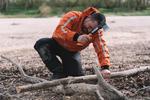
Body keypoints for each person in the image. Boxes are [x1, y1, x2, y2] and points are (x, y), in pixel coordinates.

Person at [34, 7, 111, 80]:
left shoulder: (96, 32)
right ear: (88, 18)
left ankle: (67, 70)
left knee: (77, 77)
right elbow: (59, 30)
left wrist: (105, 67)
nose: (89, 30)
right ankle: (58, 71)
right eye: (89, 27)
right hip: (57, 44)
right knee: (41, 44)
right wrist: (77, 37)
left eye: (92, 29)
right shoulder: (73, 16)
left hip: (71, 52)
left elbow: (101, 47)